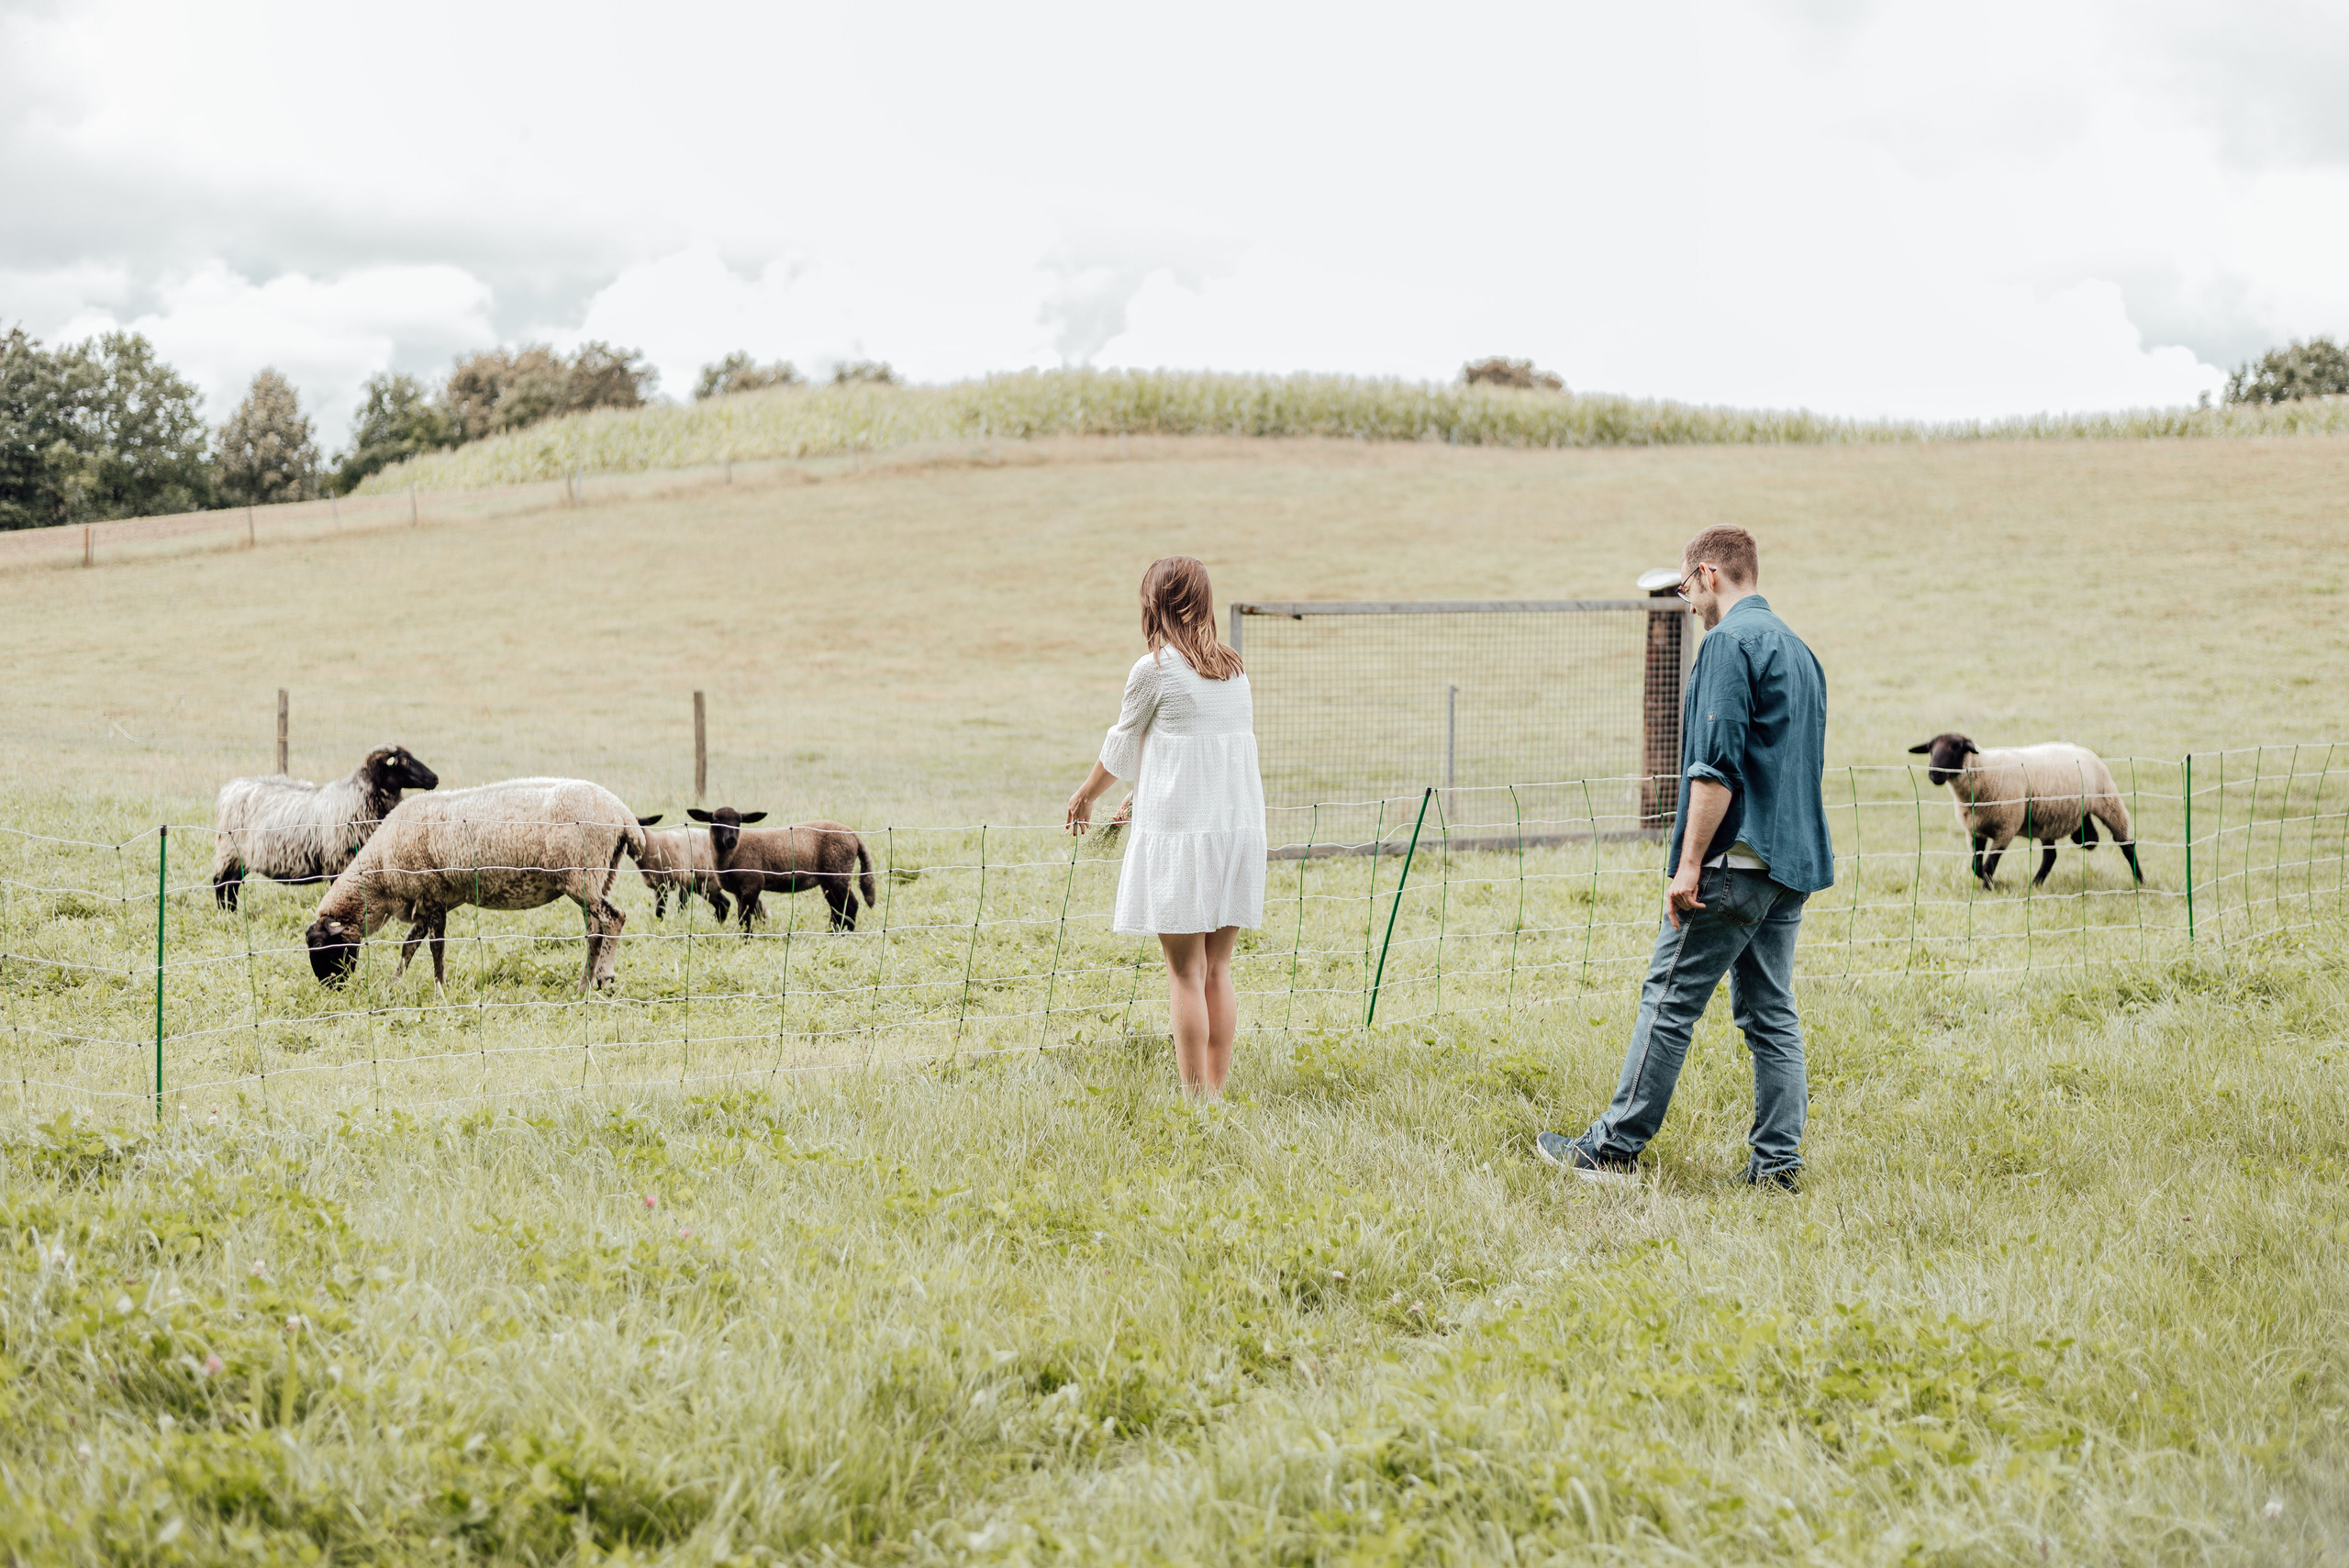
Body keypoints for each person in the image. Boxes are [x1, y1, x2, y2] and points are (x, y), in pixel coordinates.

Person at [1535, 525, 1832, 1189]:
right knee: (1771, 1013)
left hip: (1734, 864)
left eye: (1686, 589)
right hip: (1789, 865)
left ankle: (1611, 1151)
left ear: (1708, 574)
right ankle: (1777, 1166)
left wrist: (1690, 863)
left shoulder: (1727, 645)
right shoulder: (1799, 650)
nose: (1688, 604)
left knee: (1668, 1001)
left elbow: (1715, 768)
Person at [1065, 557, 1266, 1098]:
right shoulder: (1233, 670)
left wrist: (1085, 796)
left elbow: (1121, 746)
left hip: (1183, 843)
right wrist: (1141, 795)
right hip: (1235, 835)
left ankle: (1195, 1101)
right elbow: (1203, 754)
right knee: (1217, 970)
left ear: (1156, 604)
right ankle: (1215, 1093)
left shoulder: (1155, 669)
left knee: (1185, 974)